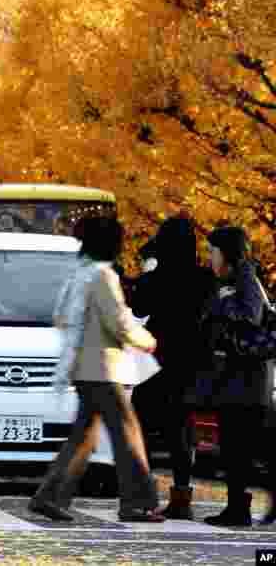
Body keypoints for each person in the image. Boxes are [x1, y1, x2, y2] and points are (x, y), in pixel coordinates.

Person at [28, 216, 164, 523]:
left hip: (84, 368)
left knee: (83, 437)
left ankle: (48, 496)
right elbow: (118, 320)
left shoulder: (80, 273)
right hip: (105, 368)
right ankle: (137, 503)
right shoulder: (103, 275)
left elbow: (61, 315)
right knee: (127, 436)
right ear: (110, 244)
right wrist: (147, 340)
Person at [129, 215, 214, 520]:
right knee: (181, 431)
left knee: (143, 428)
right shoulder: (205, 280)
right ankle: (181, 496)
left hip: (157, 360)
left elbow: (138, 309)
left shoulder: (154, 279)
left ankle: (144, 495)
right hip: (190, 361)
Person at [199, 226, 275, 526]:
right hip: (239, 379)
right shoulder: (233, 279)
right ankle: (237, 508)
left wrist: (223, 300)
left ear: (226, 252)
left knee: (238, 447)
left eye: (212, 251)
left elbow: (251, 316)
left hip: (247, 380)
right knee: (235, 447)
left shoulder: (244, 277)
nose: (209, 257)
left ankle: (239, 509)